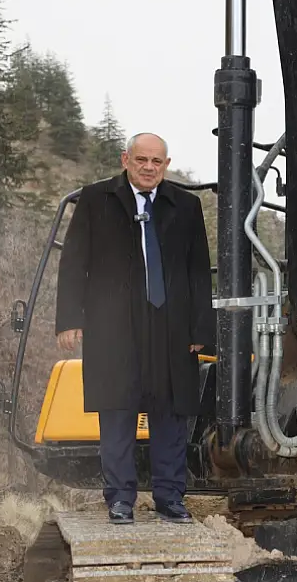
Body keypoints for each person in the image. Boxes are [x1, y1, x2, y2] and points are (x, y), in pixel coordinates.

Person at [55, 132, 214, 525]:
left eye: (156, 161)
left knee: (171, 413)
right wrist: (70, 319)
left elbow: (198, 271)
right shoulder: (96, 199)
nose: (148, 167)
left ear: (166, 165)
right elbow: (74, 262)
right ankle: (120, 499)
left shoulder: (186, 206)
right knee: (117, 411)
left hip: (171, 326)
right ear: (125, 159)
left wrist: (201, 329)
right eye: (141, 159)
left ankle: (170, 498)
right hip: (113, 325)